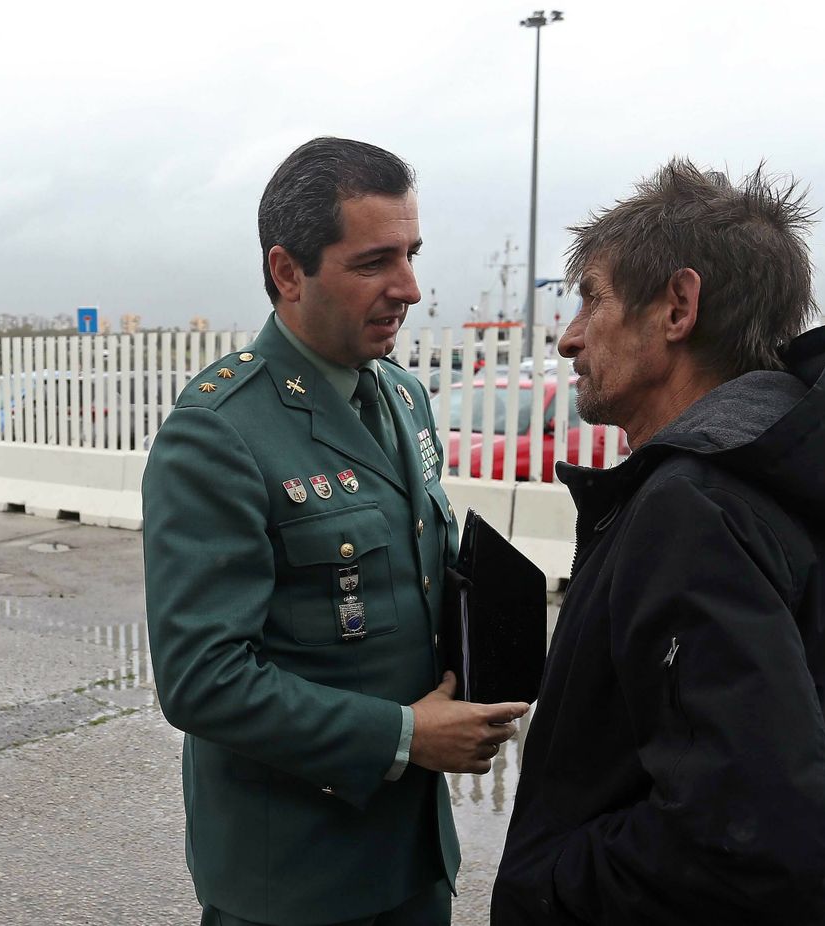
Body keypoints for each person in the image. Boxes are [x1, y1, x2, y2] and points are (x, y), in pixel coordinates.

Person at [491, 160, 825, 926]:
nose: (569, 338)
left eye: (592, 300)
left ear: (678, 306)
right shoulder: (772, 473)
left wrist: (548, 887)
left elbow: (758, 839)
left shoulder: (695, 508)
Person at [143, 136, 528, 926]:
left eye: (412, 254)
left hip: (411, 857)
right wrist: (404, 736)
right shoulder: (219, 432)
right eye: (373, 263)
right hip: (294, 878)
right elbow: (202, 678)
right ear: (288, 272)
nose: (410, 288)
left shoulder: (403, 397)